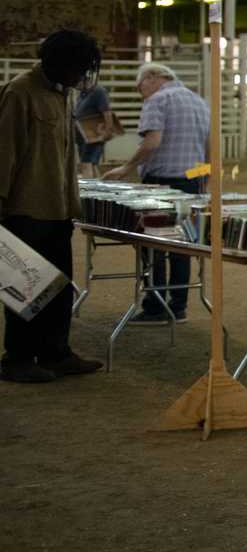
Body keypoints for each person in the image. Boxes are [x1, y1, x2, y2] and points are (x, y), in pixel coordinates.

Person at [0, 30, 106, 382]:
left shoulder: (64, 94)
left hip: (59, 208)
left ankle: (56, 353)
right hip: (25, 209)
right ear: (58, 64)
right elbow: (5, 152)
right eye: (77, 69)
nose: (81, 76)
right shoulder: (20, 92)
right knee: (26, 288)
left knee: (59, 286)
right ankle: (17, 358)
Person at [114, 61, 212, 322]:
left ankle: (155, 304)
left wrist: (126, 167)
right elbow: (210, 146)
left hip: (160, 180)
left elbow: (152, 142)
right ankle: (178, 306)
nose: (141, 93)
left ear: (153, 77)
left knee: (152, 244)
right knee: (181, 245)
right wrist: (205, 178)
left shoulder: (158, 100)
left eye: (140, 87)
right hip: (192, 180)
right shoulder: (200, 102)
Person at [74, 71, 118, 179]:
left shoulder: (98, 91)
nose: (75, 86)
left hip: (94, 134)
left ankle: (89, 191)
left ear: (84, 80)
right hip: (83, 135)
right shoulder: (82, 93)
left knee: (86, 164)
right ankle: (97, 187)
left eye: (76, 82)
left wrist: (108, 131)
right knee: (91, 165)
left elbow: (107, 112)